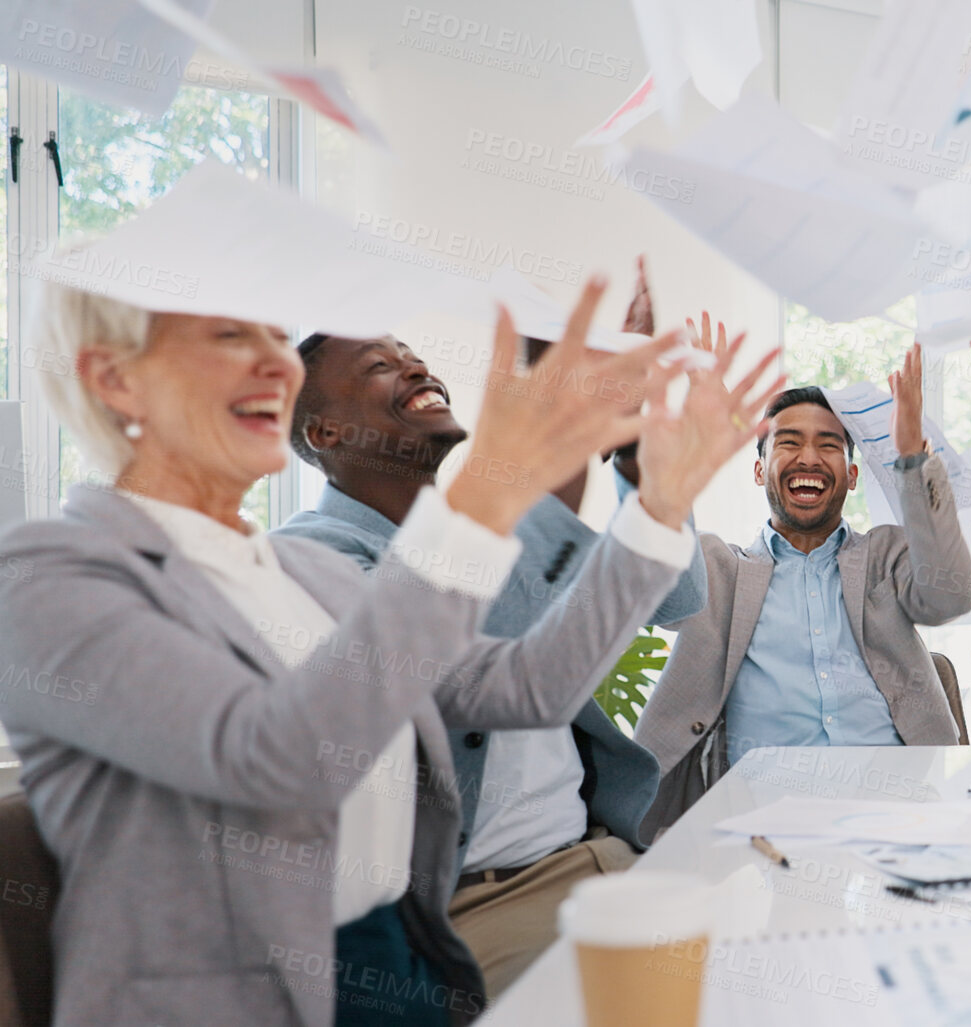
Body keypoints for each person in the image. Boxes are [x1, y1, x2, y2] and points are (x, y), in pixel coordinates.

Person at [0, 276, 775, 1027]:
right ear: (115, 380)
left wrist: (661, 503)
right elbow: (277, 761)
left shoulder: (304, 571)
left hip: (400, 958)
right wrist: (494, 487)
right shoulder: (48, 572)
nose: (277, 362)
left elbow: (531, 687)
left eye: (277, 335)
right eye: (232, 336)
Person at [271, 263, 729, 996]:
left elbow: (676, 601)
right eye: (380, 364)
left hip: (599, 854)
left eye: (410, 351)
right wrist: (567, 427)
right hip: (478, 904)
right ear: (324, 429)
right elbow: (485, 670)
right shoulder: (312, 559)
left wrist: (637, 446)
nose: (414, 364)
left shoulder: (477, 531)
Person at [634, 342, 971, 831]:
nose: (809, 458)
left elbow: (952, 596)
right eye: (789, 442)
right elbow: (659, 596)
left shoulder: (885, 557)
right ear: (759, 469)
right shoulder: (720, 568)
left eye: (829, 445)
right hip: (764, 817)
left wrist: (912, 460)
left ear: (852, 475)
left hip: (897, 810)